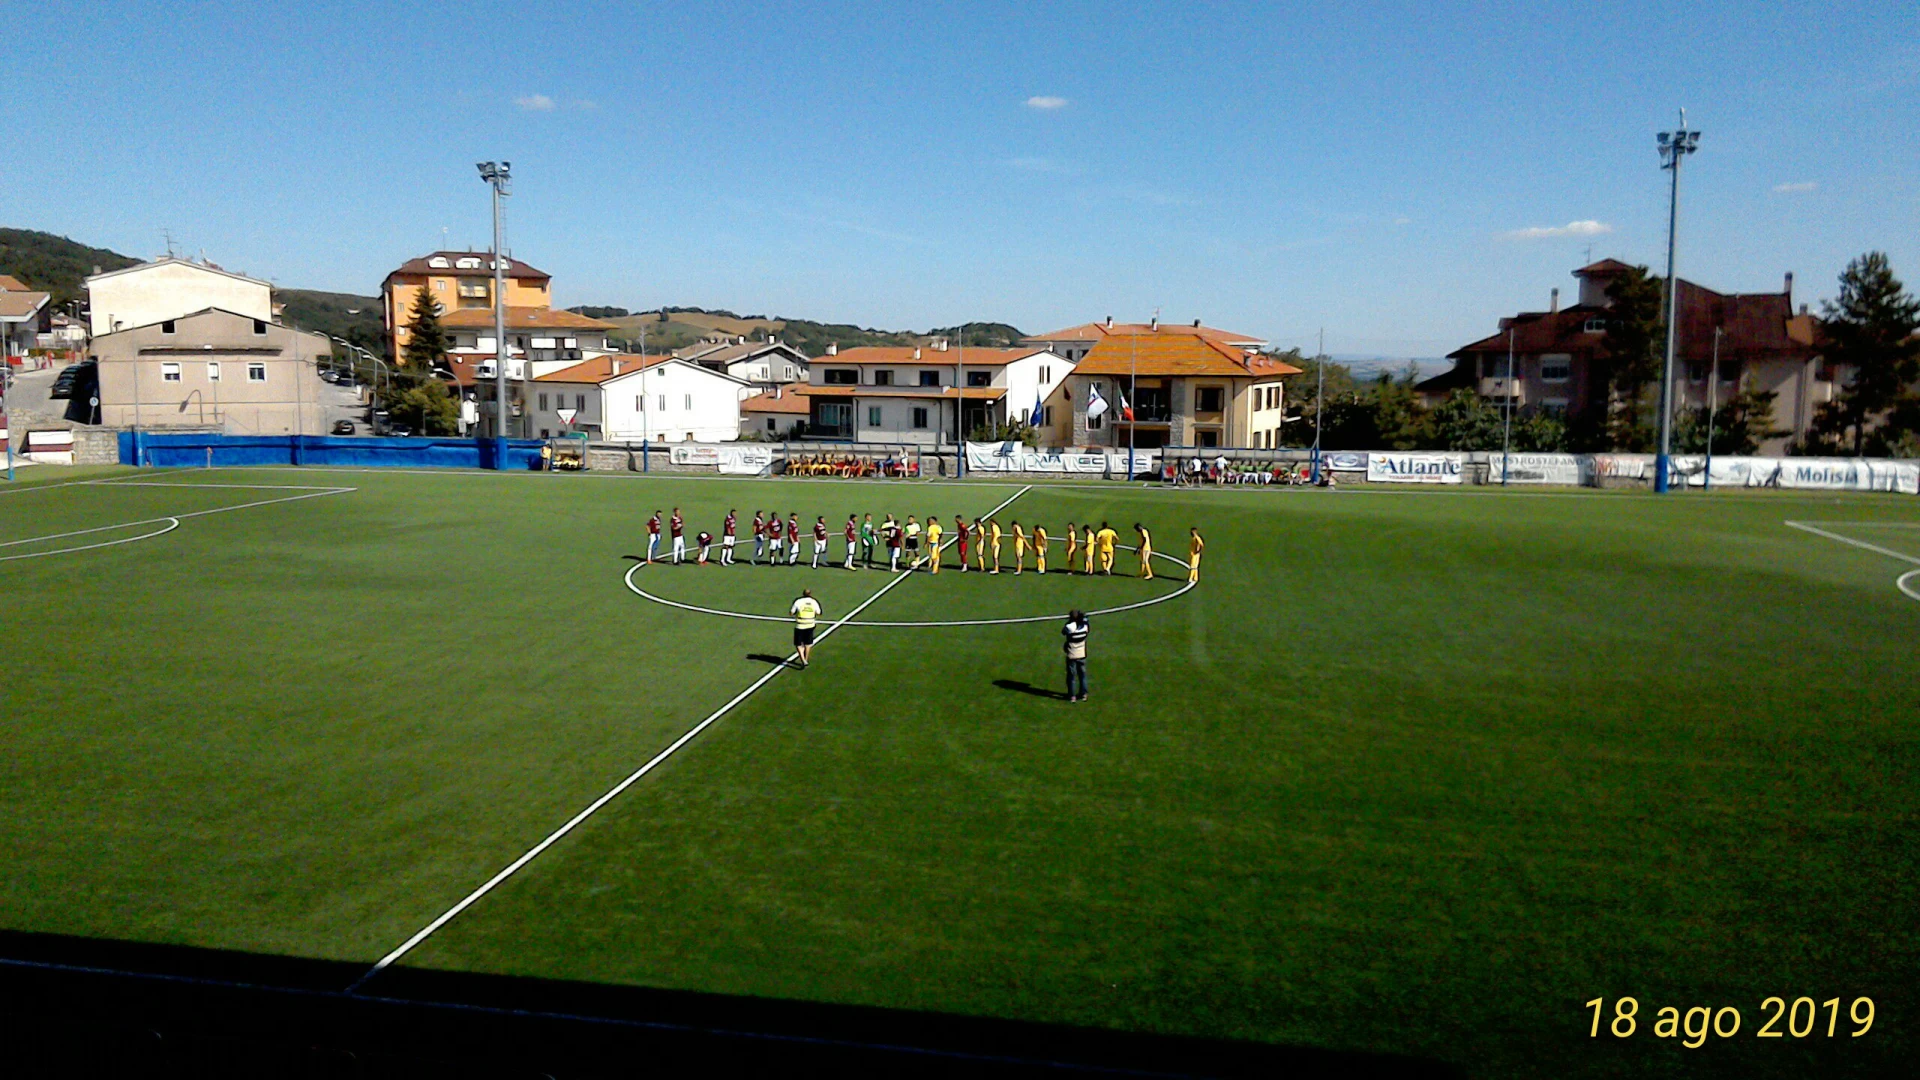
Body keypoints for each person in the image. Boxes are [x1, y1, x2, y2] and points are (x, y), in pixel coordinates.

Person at [1062, 609, 1090, 702]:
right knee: (1082, 676)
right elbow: (1086, 625)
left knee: (1071, 676)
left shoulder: (1069, 627)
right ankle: (1084, 694)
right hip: (1082, 654)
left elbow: (1063, 631)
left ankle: (1072, 696)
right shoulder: (1084, 628)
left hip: (1072, 655)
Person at [790, 588, 822, 668]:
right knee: (808, 643)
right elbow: (819, 613)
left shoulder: (798, 601)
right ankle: (805, 659)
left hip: (800, 625)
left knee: (798, 644)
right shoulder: (814, 602)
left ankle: (803, 659)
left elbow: (791, 612)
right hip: (810, 624)